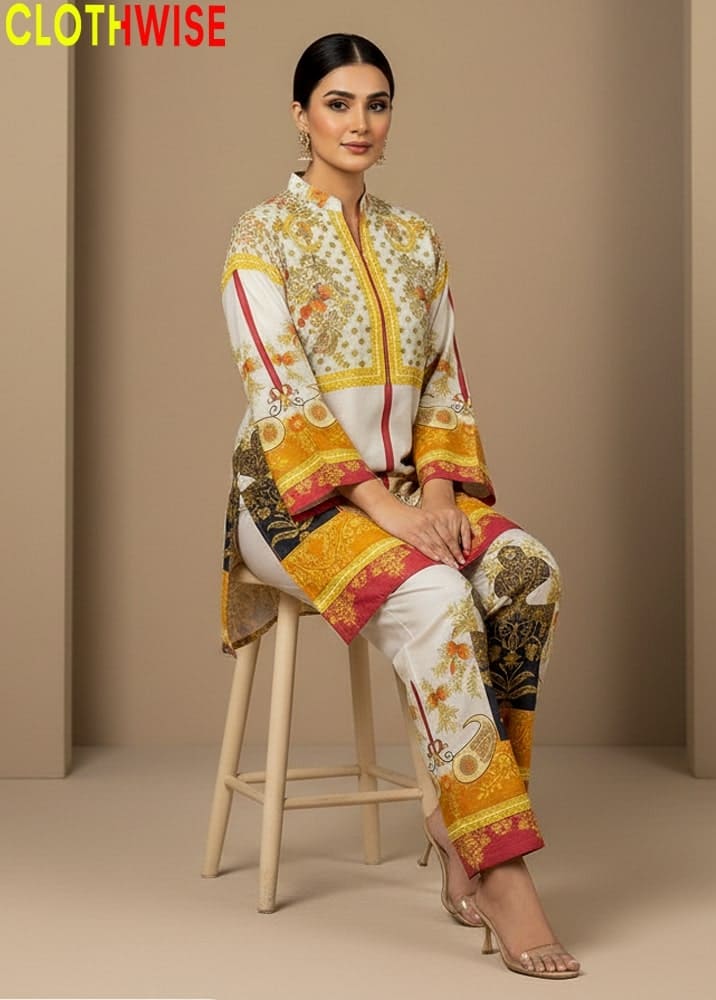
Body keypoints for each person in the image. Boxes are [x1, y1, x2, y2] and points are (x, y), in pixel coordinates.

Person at [218, 32, 581, 980]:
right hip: (292, 505)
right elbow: (280, 394)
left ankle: (463, 822)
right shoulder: (262, 237)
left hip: (412, 497)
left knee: (526, 573)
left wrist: (443, 491)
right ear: (301, 114)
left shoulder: (416, 239)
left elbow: (446, 384)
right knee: (435, 599)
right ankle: (503, 874)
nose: (359, 123)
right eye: (338, 103)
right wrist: (389, 509)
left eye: (376, 104)